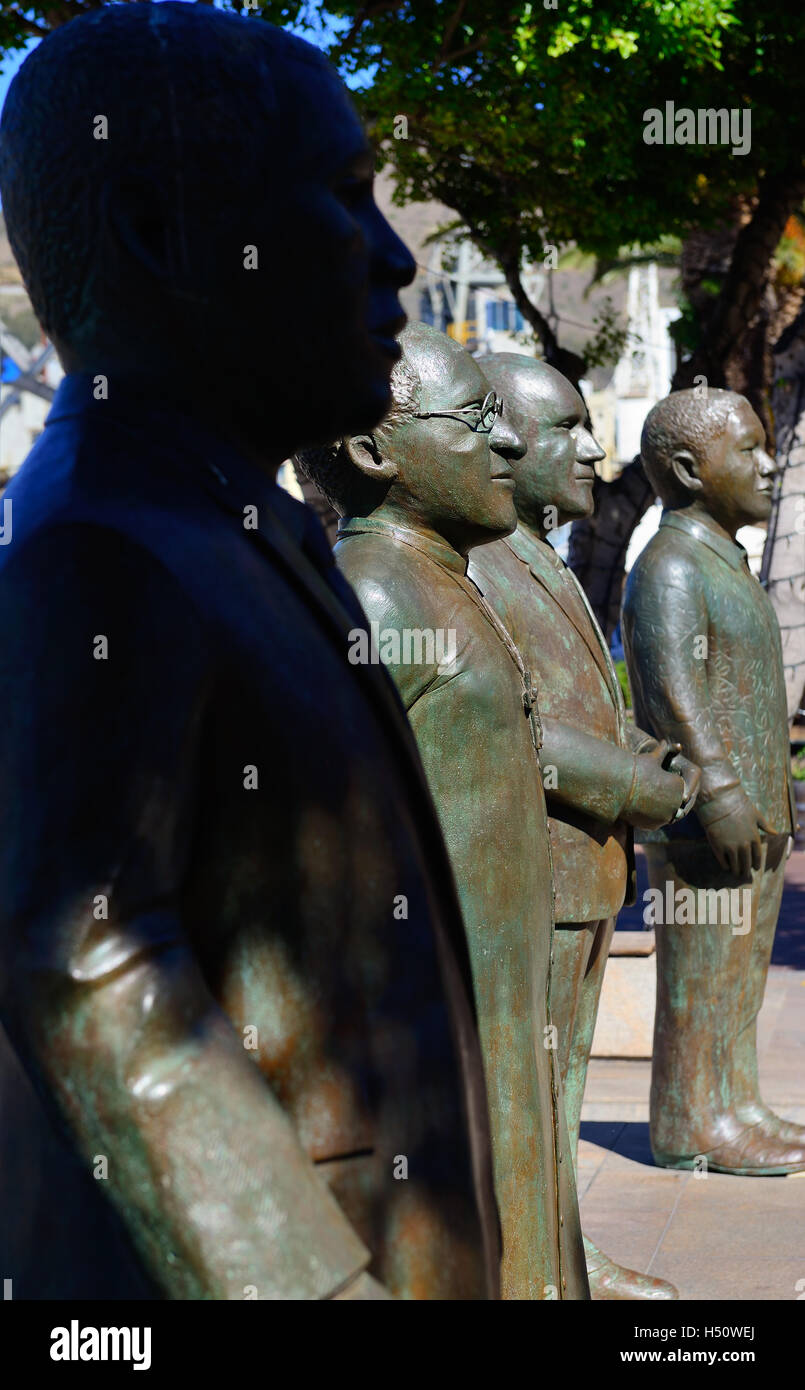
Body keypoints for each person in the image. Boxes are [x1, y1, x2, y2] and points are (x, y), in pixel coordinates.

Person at [0, 4, 499, 1299]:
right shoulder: (105, 548)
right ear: (163, 232)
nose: (392, 261)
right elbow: (81, 954)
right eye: (342, 198)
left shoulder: (219, 519)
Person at [298, 323, 590, 1299]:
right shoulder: (380, 600)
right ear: (376, 452)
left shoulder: (435, 577)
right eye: (472, 421)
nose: (504, 443)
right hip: (443, 1036)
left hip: (498, 1007)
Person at [469, 356, 695, 1297]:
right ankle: (539, 1261)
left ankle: (561, 1248)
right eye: (565, 428)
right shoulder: (474, 565)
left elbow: (581, 697)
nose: (592, 449)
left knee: (559, 1091)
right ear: (503, 440)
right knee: (529, 1089)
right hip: (541, 870)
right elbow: (519, 726)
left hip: (584, 869)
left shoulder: (536, 552)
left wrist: (644, 745)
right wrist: (632, 782)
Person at [622, 388, 803, 1175]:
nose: (768, 466)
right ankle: (691, 1120)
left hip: (753, 813)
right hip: (709, 820)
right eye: (750, 450)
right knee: (701, 975)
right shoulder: (668, 566)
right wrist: (721, 792)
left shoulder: (718, 559)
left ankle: (734, 1101)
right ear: (691, 470)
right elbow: (670, 693)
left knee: (736, 972)